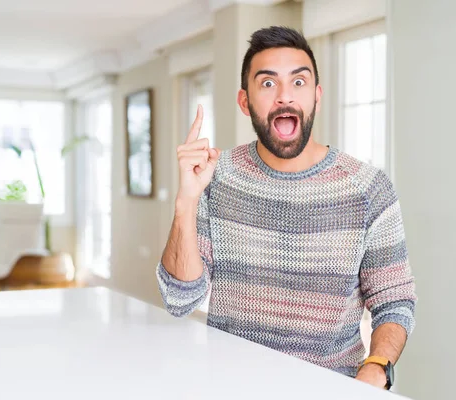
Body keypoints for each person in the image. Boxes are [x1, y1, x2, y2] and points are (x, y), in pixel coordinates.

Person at [157, 26, 416, 390]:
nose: (284, 97)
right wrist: (187, 200)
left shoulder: (369, 188)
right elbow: (179, 299)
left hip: (330, 389)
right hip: (230, 387)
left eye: (298, 82)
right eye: (267, 84)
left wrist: (376, 366)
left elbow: (395, 300)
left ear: (316, 96)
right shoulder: (216, 179)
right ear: (244, 101)